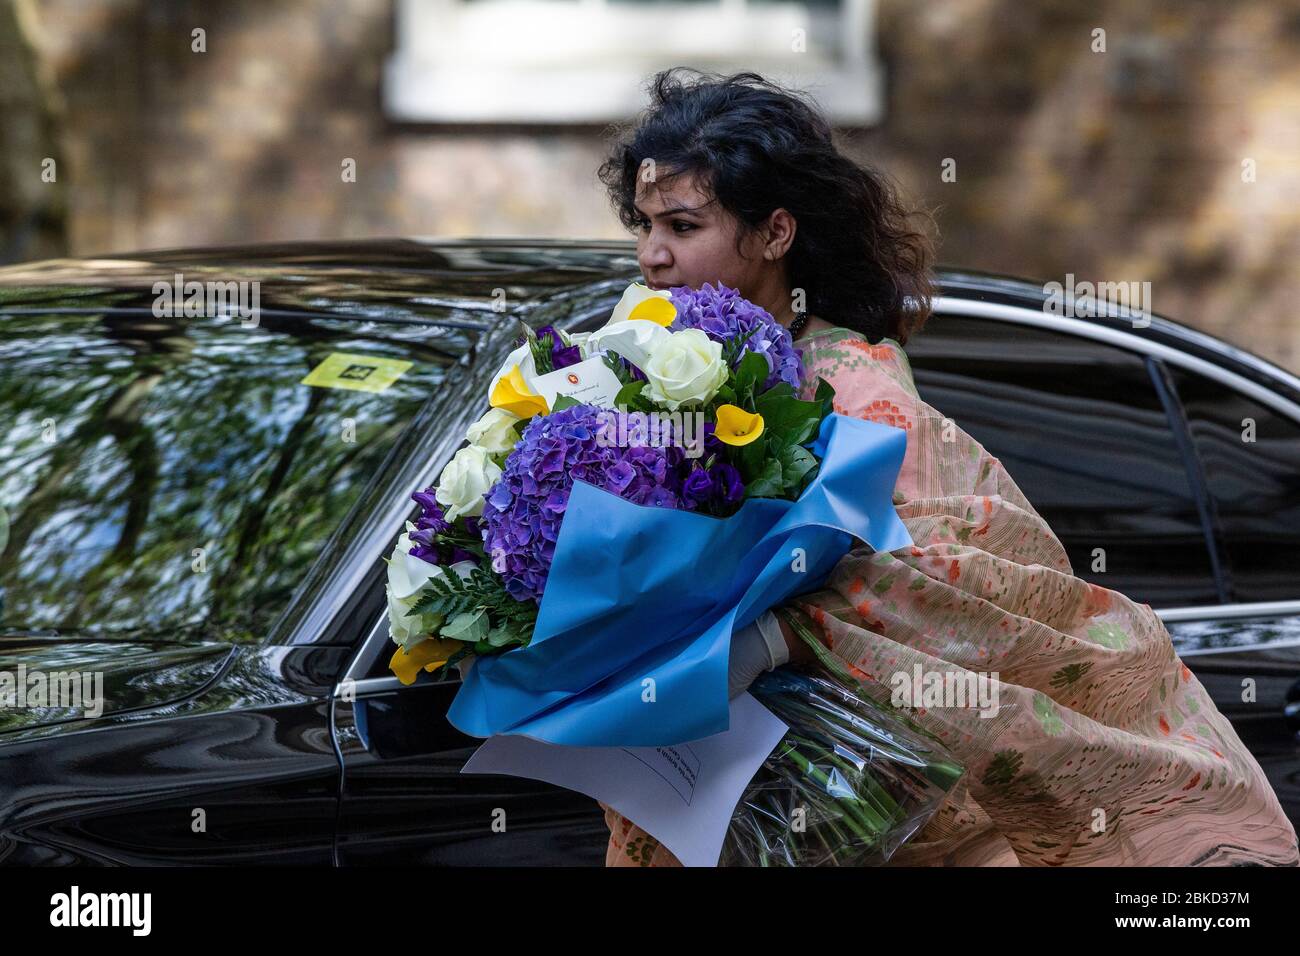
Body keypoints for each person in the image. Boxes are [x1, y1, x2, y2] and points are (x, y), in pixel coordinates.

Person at [591, 68, 1299, 867]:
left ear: (776, 233)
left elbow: (956, 587)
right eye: (644, 226)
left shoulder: (852, 388)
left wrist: (772, 636)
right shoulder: (643, 382)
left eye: (683, 226)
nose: (652, 256)